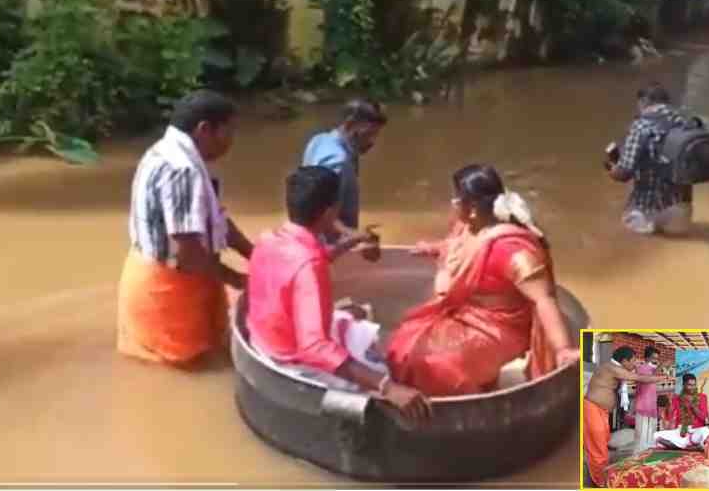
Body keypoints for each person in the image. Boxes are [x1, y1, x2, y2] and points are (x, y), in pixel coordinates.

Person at [246, 166, 430, 422]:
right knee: (382, 370)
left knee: (354, 316)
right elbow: (314, 347)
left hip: (262, 342)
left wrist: (353, 241)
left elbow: (306, 260)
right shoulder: (309, 265)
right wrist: (387, 386)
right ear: (329, 212)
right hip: (291, 362)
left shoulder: (268, 239)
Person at [385, 165, 580, 397]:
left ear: (473, 209)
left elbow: (543, 299)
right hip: (466, 313)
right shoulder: (468, 227)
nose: (453, 204)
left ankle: (471, 396)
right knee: (404, 345)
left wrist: (563, 349)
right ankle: (481, 381)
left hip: (502, 326)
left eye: (457, 199)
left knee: (435, 365)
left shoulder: (511, 250)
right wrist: (432, 248)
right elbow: (457, 248)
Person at [117, 90, 252, 365]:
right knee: (190, 366)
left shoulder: (163, 151)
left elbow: (216, 219)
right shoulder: (183, 169)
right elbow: (188, 254)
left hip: (158, 274)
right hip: (169, 289)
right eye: (228, 131)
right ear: (205, 129)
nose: (231, 141)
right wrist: (239, 280)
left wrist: (257, 256)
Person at [606, 82, 695, 235]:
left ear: (644, 101)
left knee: (625, 237)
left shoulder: (640, 126)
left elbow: (623, 174)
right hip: (681, 213)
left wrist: (612, 169)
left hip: (647, 212)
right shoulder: (686, 124)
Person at [301, 99, 387, 246]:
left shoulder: (319, 140)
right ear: (350, 124)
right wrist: (355, 235)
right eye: (369, 134)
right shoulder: (337, 161)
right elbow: (317, 209)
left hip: (309, 239)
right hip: (326, 246)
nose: (372, 142)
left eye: (376, 134)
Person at [584, 346, 668, 487]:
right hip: (592, 409)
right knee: (598, 447)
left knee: (602, 443)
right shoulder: (612, 368)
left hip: (601, 411)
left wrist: (652, 367)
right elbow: (638, 377)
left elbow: (639, 370)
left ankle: (601, 476)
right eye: (633, 361)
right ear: (624, 361)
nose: (635, 364)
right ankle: (600, 482)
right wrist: (663, 377)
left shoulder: (617, 368)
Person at [634, 346, 661, 453]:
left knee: (651, 432)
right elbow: (648, 378)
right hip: (643, 405)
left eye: (657, 358)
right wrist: (660, 370)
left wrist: (659, 367)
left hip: (651, 405)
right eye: (654, 358)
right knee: (642, 433)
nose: (656, 360)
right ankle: (638, 455)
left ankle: (647, 453)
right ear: (646, 358)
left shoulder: (651, 369)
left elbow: (654, 372)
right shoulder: (641, 368)